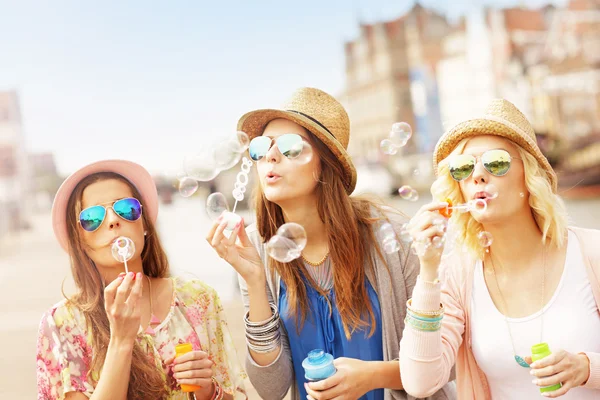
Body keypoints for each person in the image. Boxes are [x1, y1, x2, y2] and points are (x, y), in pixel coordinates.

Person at [207, 87, 456, 400]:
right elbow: (271, 388)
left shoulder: (389, 235)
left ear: (325, 163)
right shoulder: (259, 250)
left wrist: (374, 376)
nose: (270, 155)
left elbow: (448, 360)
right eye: (260, 147)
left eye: (289, 147)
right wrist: (254, 280)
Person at [399, 99, 600, 399]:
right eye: (464, 167)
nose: (477, 175)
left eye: (496, 162)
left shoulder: (591, 251)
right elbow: (420, 382)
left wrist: (586, 368)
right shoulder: (457, 276)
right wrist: (428, 271)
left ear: (529, 176)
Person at [36, 160, 247, 400]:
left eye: (126, 208)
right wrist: (121, 341)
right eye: (92, 217)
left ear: (145, 224)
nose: (113, 221)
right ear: (80, 240)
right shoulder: (62, 323)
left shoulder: (198, 299)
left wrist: (208, 390)